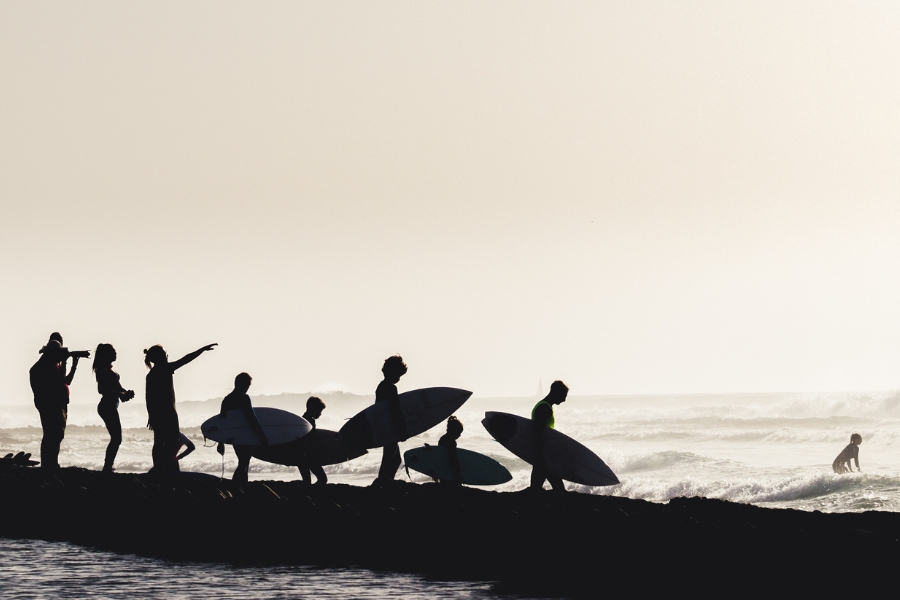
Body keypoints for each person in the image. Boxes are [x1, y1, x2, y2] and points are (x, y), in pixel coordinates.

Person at [144, 342, 216, 473]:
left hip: (158, 413)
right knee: (171, 440)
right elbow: (186, 359)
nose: (167, 356)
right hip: (168, 413)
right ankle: (159, 468)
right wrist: (202, 349)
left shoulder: (152, 374)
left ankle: (159, 467)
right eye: (165, 354)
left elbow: (148, 398)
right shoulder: (164, 369)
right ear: (160, 357)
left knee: (159, 441)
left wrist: (151, 415)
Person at [29, 333, 88, 469]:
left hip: (55, 402)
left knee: (54, 434)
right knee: (53, 434)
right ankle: (50, 463)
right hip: (51, 403)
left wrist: (72, 364)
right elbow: (61, 380)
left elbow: (67, 380)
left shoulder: (47, 365)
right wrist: (66, 362)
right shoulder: (45, 367)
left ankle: (49, 463)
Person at [218, 372, 268, 484]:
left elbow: (222, 423)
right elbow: (252, 418)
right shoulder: (244, 398)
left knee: (243, 461)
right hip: (246, 435)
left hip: (235, 437)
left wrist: (220, 442)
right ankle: (235, 485)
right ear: (242, 384)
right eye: (247, 385)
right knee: (244, 462)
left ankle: (243, 485)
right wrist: (261, 435)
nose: (247, 388)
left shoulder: (227, 400)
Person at [92, 343, 135, 473]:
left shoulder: (109, 369)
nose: (116, 353)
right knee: (116, 438)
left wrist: (126, 392)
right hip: (106, 406)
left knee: (116, 437)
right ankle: (107, 466)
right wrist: (121, 394)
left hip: (111, 405)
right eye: (113, 351)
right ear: (106, 354)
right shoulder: (101, 369)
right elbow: (102, 390)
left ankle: (108, 465)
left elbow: (118, 387)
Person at [373, 355, 409, 485]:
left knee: (394, 459)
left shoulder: (381, 386)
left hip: (385, 427)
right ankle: (383, 482)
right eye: (398, 375)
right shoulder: (390, 388)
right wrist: (402, 430)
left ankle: (386, 481)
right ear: (391, 372)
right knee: (390, 458)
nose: (399, 378)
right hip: (390, 429)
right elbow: (395, 411)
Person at [530, 380, 569, 492]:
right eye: (563, 395)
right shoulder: (544, 408)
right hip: (543, 456)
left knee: (536, 489)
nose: (564, 400)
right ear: (556, 392)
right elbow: (537, 433)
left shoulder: (544, 406)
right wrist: (541, 457)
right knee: (558, 489)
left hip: (543, 455)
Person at [298, 396, 327, 485]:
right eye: (319, 411)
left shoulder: (305, 420)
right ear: (313, 409)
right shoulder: (307, 422)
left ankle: (309, 494)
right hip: (305, 456)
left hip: (304, 456)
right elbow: (304, 442)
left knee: (308, 481)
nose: (320, 414)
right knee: (322, 479)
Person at [437, 415, 463, 485]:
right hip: (449, 473)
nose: (459, 435)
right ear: (453, 430)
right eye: (459, 432)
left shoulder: (442, 439)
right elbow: (453, 458)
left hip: (443, 471)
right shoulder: (451, 441)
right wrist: (457, 475)